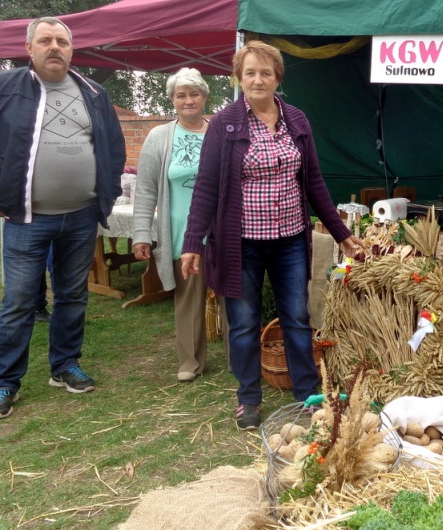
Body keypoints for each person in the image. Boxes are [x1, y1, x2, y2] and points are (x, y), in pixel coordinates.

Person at [181, 41, 362, 430]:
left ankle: (308, 395)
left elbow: (313, 182)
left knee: (296, 317)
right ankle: (248, 398)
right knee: (243, 322)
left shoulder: (296, 120)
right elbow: (207, 187)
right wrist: (192, 242)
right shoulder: (225, 124)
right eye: (250, 72)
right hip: (239, 243)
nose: (257, 79)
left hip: (290, 240)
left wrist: (341, 232)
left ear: (278, 77)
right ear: (238, 78)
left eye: (265, 72)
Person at [0, 16, 126, 420]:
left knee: (72, 296)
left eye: (62, 41)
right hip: (26, 219)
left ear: (71, 49)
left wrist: (109, 191)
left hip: (81, 217)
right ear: (28, 48)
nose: (55, 47)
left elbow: (114, 151)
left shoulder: (94, 93)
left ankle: (64, 365)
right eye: (45, 40)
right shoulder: (2, 88)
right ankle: (4, 384)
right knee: (18, 302)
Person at [132, 67, 212, 382]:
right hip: (182, 235)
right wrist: (142, 234)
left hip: (220, 232)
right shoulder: (159, 137)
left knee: (232, 297)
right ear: (173, 100)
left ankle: (240, 359)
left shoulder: (221, 129)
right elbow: (146, 190)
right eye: (182, 95)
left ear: (205, 97)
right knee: (189, 298)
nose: (188, 100)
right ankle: (190, 362)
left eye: (194, 94)